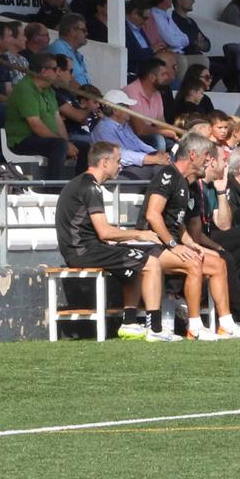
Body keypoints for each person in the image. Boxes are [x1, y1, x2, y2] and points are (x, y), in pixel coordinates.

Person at [54, 141, 171, 340]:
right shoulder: (90, 187)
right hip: (83, 252)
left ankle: (129, 323)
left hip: (82, 249)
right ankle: (155, 329)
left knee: (136, 261)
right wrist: (138, 234)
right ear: (105, 162)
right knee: (151, 263)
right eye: (118, 161)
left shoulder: (82, 183)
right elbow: (105, 232)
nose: (121, 166)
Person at [142, 134, 240, 339]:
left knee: (218, 263)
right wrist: (173, 245)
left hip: (170, 244)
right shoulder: (168, 174)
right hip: (152, 244)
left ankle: (226, 324)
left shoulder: (188, 184)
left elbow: (179, 224)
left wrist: (193, 244)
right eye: (206, 156)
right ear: (193, 155)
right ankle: (194, 327)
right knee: (194, 263)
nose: (209, 161)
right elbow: (152, 215)